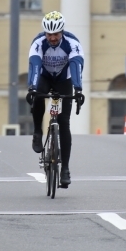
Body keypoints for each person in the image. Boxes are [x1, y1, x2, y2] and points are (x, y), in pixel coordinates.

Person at [26, 11, 85, 188]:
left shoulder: (72, 43)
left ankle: (65, 169)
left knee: (64, 121)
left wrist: (78, 89)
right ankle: (38, 131)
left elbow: (76, 66)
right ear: (45, 33)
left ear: (62, 32)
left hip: (63, 79)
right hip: (44, 76)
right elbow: (35, 65)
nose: (52, 38)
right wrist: (32, 88)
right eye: (49, 34)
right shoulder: (38, 43)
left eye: (56, 34)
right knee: (38, 98)